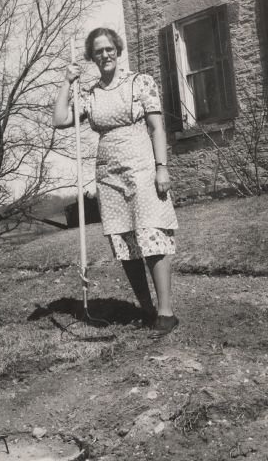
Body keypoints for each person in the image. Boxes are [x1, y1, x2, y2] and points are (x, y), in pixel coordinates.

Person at [53, 28, 179, 338]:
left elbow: (157, 128)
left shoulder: (140, 82)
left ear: (118, 50)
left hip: (141, 166)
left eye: (109, 48)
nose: (105, 54)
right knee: (126, 243)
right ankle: (146, 309)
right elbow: (58, 119)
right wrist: (67, 83)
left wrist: (162, 168)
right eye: (98, 51)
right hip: (108, 175)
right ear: (92, 57)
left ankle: (166, 311)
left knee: (151, 234)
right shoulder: (91, 93)